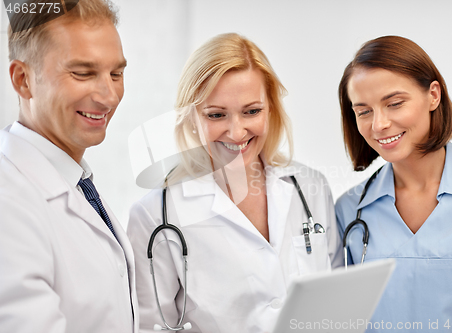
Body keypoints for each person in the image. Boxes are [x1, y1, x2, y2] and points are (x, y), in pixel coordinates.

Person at [127, 32, 343, 333]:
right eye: (216, 115)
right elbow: (150, 327)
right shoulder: (155, 215)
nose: (237, 132)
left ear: (271, 109)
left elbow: (337, 304)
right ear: (190, 118)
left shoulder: (309, 187)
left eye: (252, 111)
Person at [335, 35, 452, 331]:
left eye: (395, 103)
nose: (379, 125)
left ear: (433, 96)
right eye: (364, 111)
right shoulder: (349, 211)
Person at [0, 1, 138, 332]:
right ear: (23, 80)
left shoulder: (76, 182)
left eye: (116, 74)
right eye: (83, 73)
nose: (109, 96)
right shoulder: (9, 199)